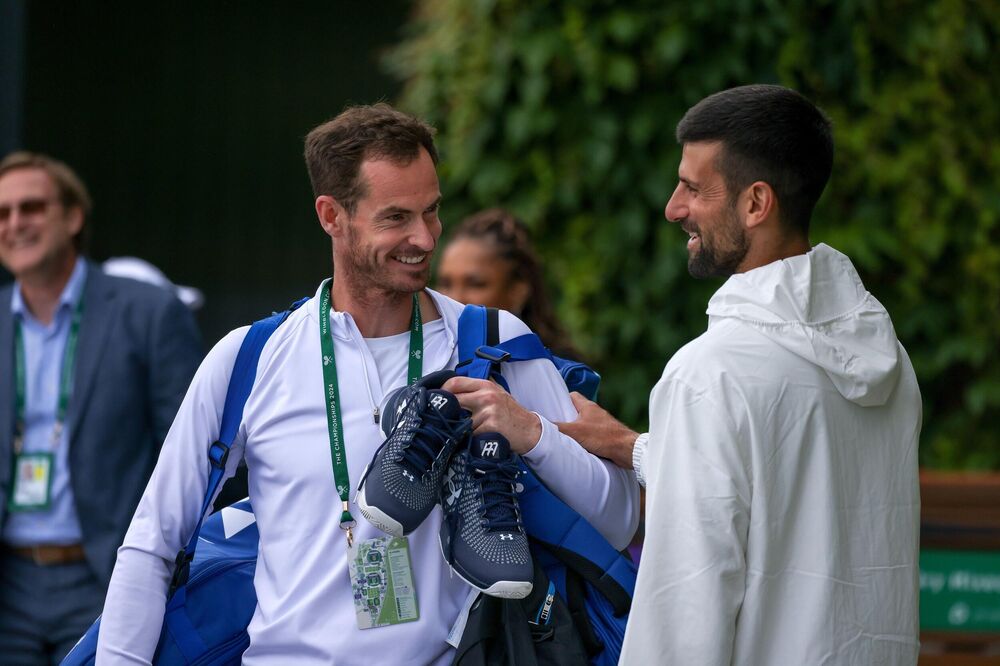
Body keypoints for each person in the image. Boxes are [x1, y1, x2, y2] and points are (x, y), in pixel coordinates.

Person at [97, 103, 639, 664]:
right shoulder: (248, 359)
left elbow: (617, 522)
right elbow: (152, 543)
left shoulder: (495, 343)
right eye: (396, 218)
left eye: (432, 211)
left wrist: (533, 433)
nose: (424, 238)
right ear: (332, 216)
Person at [559, 85, 921, 664]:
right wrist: (641, 449)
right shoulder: (889, 361)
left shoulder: (708, 376)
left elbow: (683, 615)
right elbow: (800, 495)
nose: (673, 208)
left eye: (693, 188)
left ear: (756, 203)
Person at [0, 152, 203, 663]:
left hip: (106, 575)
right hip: (9, 583)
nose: (15, 223)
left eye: (31, 208)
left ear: (73, 217)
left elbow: (190, 451)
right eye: (3, 213)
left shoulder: (148, 311)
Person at [436, 208, 577, 358]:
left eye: (475, 284)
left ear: (517, 291)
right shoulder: (426, 358)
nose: (454, 298)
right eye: (446, 284)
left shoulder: (555, 368)